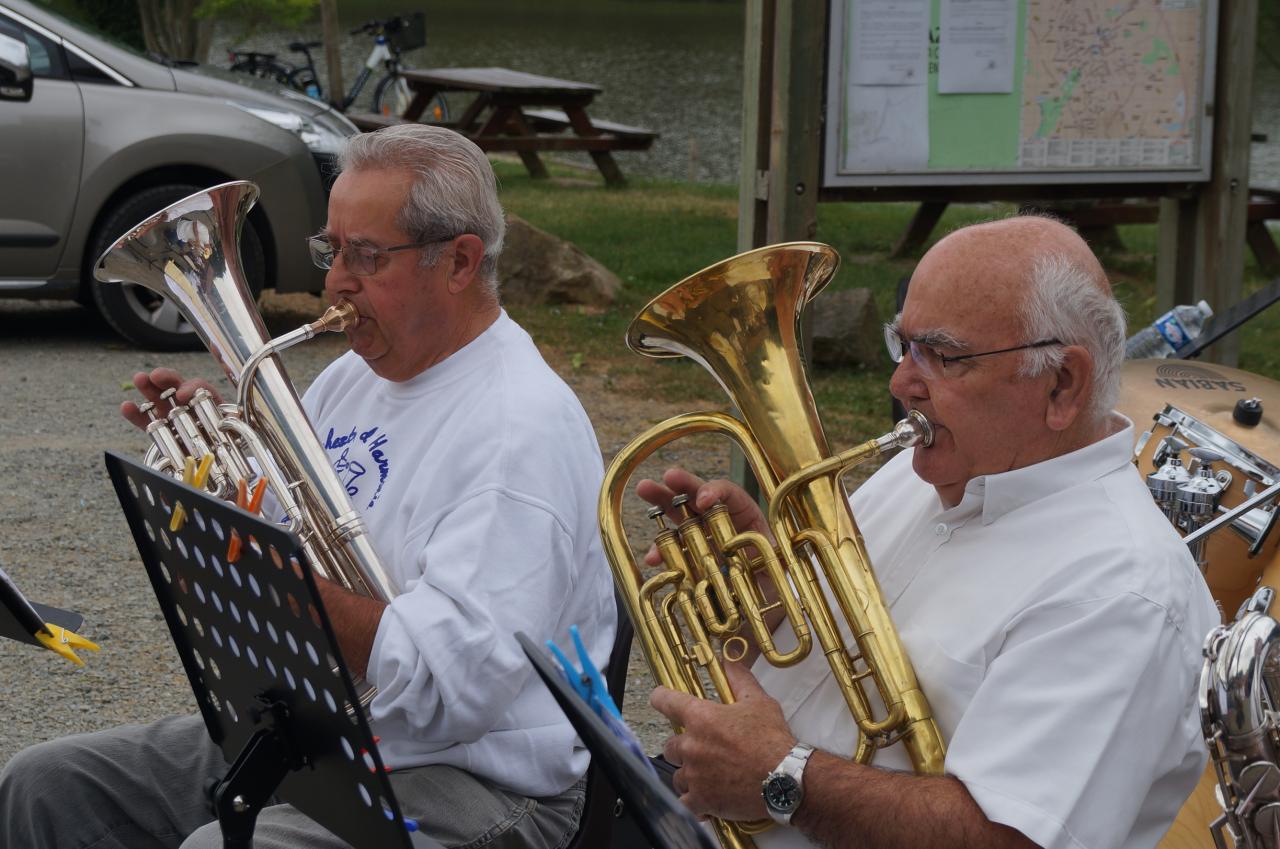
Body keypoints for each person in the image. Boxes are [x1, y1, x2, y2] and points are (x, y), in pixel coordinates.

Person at [0, 124, 616, 849]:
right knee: (40, 786)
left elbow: (453, 690)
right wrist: (210, 463)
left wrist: (276, 577)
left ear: (459, 261)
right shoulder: (357, 375)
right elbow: (278, 518)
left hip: (480, 780)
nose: (334, 283)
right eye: (332, 249)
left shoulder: (518, 430)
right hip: (323, 729)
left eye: (366, 256)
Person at [638, 216, 1219, 849]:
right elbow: (825, 682)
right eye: (903, 345)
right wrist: (769, 605)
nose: (900, 384)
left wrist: (780, 777)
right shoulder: (919, 474)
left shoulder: (1119, 592)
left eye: (942, 356)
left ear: (1062, 383)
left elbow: (1006, 838)